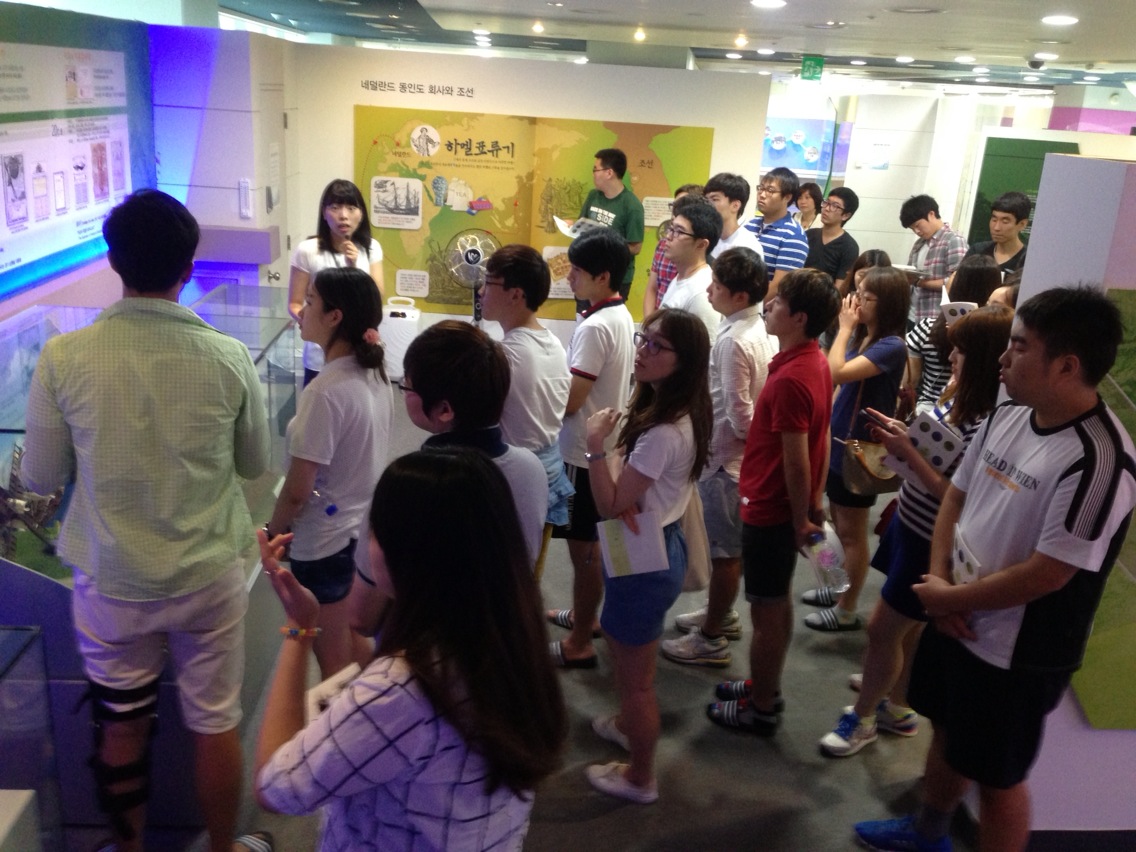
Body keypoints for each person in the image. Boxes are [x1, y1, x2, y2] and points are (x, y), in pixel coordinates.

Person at [22, 189, 272, 852]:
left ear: (113, 260)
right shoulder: (228, 357)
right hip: (208, 572)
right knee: (215, 721)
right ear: (188, 268)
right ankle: (222, 847)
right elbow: (254, 463)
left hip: (112, 580)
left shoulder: (63, 358)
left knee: (121, 723)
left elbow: (40, 478)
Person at [854, 286, 1136, 852]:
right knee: (947, 728)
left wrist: (951, 600)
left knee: (998, 779)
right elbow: (956, 497)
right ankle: (929, 831)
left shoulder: (1098, 461)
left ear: (1066, 365)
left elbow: (1049, 574)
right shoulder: (1009, 414)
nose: (1003, 359)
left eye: (1020, 346)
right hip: (957, 612)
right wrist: (940, 584)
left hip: (1017, 650)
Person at [255, 448, 568, 850]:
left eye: (375, 531)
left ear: (406, 553)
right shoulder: (512, 637)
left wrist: (298, 630)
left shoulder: (403, 689)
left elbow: (274, 787)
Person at [819, 303, 1013, 758]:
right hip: (911, 523)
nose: (951, 357)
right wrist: (904, 436)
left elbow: (958, 497)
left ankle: (863, 718)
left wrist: (908, 451)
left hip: (931, 539)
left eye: (961, 350)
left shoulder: (989, 420)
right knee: (905, 631)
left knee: (882, 630)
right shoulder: (960, 395)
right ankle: (896, 704)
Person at [583, 308, 712, 803]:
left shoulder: (664, 431)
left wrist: (595, 446)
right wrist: (624, 491)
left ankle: (640, 777)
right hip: (653, 541)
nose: (642, 351)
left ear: (684, 361)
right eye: (644, 339)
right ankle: (626, 727)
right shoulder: (678, 410)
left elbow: (609, 503)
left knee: (636, 680)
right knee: (629, 660)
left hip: (646, 555)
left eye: (658, 346)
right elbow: (628, 498)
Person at [706, 269, 840, 735]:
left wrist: (802, 517)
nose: (768, 305)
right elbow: (822, 438)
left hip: (771, 508)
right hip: (785, 506)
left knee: (766, 612)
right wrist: (814, 502)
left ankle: (761, 706)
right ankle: (763, 685)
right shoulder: (813, 362)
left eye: (778, 302)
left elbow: (796, 458)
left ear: (799, 318)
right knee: (775, 603)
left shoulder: (791, 379)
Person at [265, 266, 392, 681]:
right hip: (358, 528)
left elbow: (298, 490)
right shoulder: (375, 372)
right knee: (351, 641)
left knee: (332, 662)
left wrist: (273, 531)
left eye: (311, 301)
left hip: (324, 542)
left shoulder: (324, 392)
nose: (302, 310)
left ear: (335, 316)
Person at [662, 247, 775, 666]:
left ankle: (711, 637)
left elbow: (740, 415)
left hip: (726, 461)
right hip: (732, 458)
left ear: (740, 296)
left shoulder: (734, 341)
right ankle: (719, 613)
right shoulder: (757, 329)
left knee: (725, 553)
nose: (709, 291)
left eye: (717, 286)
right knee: (726, 548)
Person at [547, 228, 635, 668]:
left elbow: (571, 401)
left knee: (584, 551)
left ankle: (580, 640)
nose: (569, 278)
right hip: (605, 448)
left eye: (577, 271)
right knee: (594, 545)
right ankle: (588, 617)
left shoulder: (596, 326)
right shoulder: (618, 314)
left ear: (603, 277)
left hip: (583, 452)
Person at [804, 265, 909, 632]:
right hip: (840, 443)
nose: (856, 302)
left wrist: (845, 327)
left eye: (867, 297)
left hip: (860, 451)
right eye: (857, 293)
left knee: (852, 533)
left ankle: (846, 608)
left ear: (888, 303)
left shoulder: (891, 346)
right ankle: (836, 587)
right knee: (834, 522)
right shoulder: (866, 337)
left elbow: (836, 372)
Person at [399, 320, 548, 566]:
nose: (403, 392)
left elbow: (376, 575)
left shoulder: (410, 482)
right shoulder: (531, 466)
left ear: (445, 410)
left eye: (407, 386)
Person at [480, 244, 574, 577]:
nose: (481, 291)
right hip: (548, 469)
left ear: (515, 294)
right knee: (526, 575)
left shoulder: (508, 355)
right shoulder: (550, 342)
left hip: (515, 479)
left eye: (488, 283)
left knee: (503, 579)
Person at [289, 179, 384, 385]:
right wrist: (315, 323)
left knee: (361, 400)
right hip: (319, 352)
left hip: (360, 348)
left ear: (361, 213)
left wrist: (354, 266)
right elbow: (295, 304)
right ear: (324, 213)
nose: (343, 215)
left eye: (351, 208)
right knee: (317, 398)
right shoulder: (308, 250)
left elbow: (376, 299)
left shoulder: (371, 248)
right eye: (335, 207)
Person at [905, 254, 1001, 415]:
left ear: (957, 287)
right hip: (979, 414)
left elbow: (909, 383)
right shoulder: (1000, 337)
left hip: (928, 411)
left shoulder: (927, 328)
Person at [578, 147, 644, 302]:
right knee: (583, 315)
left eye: (595, 170)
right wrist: (572, 226)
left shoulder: (632, 205)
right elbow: (582, 224)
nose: (593, 174)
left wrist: (605, 245)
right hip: (588, 272)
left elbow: (635, 248)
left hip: (615, 278)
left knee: (607, 315)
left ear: (609, 173)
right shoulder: (593, 196)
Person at [658, 196, 723, 339]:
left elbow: (705, 349)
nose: (669, 236)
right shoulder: (681, 276)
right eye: (671, 228)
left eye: (679, 232)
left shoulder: (702, 294)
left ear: (701, 244)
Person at [899, 194, 968, 327]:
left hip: (935, 317)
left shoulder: (954, 240)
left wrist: (919, 282)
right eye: (912, 229)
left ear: (931, 214)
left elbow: (957, 282)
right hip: (912, 314)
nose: (917, 231)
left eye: (918, 225)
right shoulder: (919, 244)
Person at [743, 166, 809, 297]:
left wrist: (745, 306)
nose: (762, 195)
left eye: (770, 191)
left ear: (787, 197)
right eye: (761, 188)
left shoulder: (794, 235)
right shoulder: (749, 226)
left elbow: (779, 285)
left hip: (760, 307)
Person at [643, 183, 702, 316]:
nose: (675, 211)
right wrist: (649, 322)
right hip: (658, 320)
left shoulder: (698, 252)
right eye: (674, 206)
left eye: (682, 206)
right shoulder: (663, 244)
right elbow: (652, 288)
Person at [804, 186, 860, 290]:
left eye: (835, 206)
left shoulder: (849, 247)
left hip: (826, 297)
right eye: (826, 203)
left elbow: (840, 288)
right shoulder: (808, 235)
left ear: (846, 215)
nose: (826, 208)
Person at [965, 190, 1031, 278]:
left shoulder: (1028, 260)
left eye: (1005, 221)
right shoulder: (977, 251)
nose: (996, 227)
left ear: (1022, 224)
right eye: (994, 220)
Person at [702, 172, 765, 261]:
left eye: (714, 199)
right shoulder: (705, 239)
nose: (708, 204)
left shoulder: (748, 246)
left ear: (735, 206)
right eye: (706, 199)